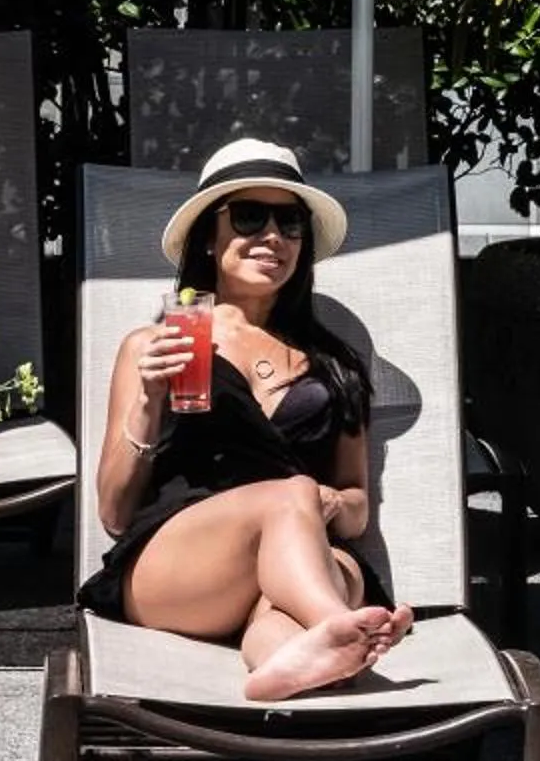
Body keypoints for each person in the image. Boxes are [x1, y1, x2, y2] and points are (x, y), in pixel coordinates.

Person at [80, 138, 412, 701]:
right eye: (250, 217)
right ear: (210, 236)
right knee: (291, 494)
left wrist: (330, 504)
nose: (273, 237)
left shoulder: (335, 365)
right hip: (181, 567)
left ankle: (293, 657)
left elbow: (356, 509)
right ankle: (338, 625)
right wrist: (149, 400)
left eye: (290, 222)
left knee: (295, 580)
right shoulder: (159, 345)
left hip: (300, 559)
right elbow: (114, 514)